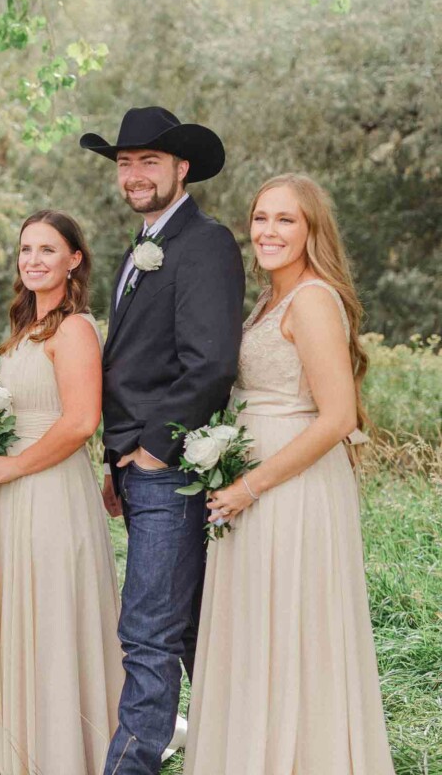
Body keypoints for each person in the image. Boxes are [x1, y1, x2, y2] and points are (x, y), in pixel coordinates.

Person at [184, 174, 394, 774]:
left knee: (293, 630)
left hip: (290, 490)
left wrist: (251, 485)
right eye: (261, 218)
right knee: (257, 631)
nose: (269, 231)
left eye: (286, 220)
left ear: (311, 231)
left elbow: (337, 417)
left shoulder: (313, 299)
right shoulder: (268, 301)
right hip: (250, 488)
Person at [79, 106, 245, 775]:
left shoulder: (204, 242)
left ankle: (132, 766)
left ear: (181, 168)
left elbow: (209, 363)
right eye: (125, 162)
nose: (134, 174)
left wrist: (150, 448)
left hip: (166, 463)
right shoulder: (143, 243)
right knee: (183, 625)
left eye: (149, 161)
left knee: (148, 629)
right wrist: (118, 461)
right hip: (136, 467)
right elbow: (138, 359)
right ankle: (235, 747)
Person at [0, 211, 124, 775]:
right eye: (26, 249)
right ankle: (16, 743)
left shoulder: (75, 328)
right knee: (15, 615)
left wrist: (12, 468)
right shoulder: (19, 330)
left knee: (52, 615)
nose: (33, 260)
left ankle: (62, 750)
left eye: (48, 250)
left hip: (50, 488)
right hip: (10, 493)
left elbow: (82, 422)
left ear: (74, 260)